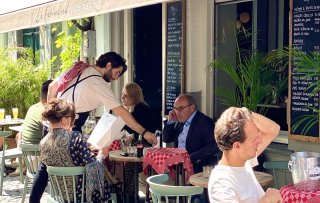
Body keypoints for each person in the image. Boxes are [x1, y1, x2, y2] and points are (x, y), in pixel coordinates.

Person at [30, 52, 157, 203]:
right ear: (108, 65)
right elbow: (122, 113)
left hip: (52, 126)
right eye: (117, 73)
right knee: (87, 169)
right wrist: (143, 131)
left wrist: (52, 114)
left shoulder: (80, 68)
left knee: (44, 168)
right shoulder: (99, 83)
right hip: (70, 126)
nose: (116, 78)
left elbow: (52, 87)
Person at [40, 98, 112, 202]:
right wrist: (101, 155)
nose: (73, 124)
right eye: (73, 121)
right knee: (113, 186)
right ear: (66, 120)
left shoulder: (43, 142)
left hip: (61, 196)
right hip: (82, 196)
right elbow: (94, 168)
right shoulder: (75, 137)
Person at [208, 107, 283, 203]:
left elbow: (273, 130)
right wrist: (266, 200)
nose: (260, 141)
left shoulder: (244, 161)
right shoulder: (221, 183)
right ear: (237, 146)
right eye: (254, 139)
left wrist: (245, 112)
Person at [162, 94, 220, 173]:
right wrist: (170, 121)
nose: (177, 112)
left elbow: (214, 145)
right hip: (178, 167)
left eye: (181, 109)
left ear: (192, 108)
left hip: (197, 168)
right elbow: (167, 139)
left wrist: (190, 158)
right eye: (175, 109)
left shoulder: (204, 122)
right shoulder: (179, 121)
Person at [8, 79, 52, 177]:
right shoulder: (47, 111)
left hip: (27, 156)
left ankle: (21, 167)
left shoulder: (33, 107)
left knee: (19, 135)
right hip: (38, 159)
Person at [121, 82, 156, 201]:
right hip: (140, 145)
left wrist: (122, 123)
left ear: (133, 96)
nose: (122, 98)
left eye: (125, 96)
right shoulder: (137, 108)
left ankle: (130, 197)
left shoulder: (141, 109)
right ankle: (129, 196)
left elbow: (136, 128)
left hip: (144, 147)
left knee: (129, 169)